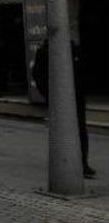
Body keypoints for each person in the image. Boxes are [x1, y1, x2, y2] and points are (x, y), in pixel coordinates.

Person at [33, 40, 95, 179]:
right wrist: (48, 92)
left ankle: (82, 162)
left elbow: (86, 71)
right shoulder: (45, 51)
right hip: (57, 96)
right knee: (61, 129)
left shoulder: (74, 49)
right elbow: (38, 74)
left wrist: (82, 90)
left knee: (80, 128)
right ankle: (64, 162)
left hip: (76, 96)